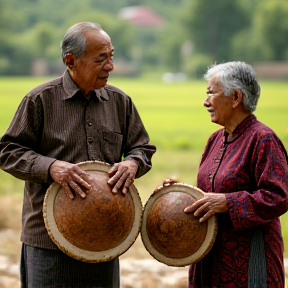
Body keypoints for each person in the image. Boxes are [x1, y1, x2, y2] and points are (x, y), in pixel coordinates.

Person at [0, 21, 156, 288]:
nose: (110, 66)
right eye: (101, 59)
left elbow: (142, 149)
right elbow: (8, 152)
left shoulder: (120, 102)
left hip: (104, 241)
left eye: (111, 57)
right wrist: (50, 167)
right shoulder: (39, 100)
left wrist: (132, 163)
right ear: (71, 61)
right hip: (48, 243)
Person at [159, 61, 288, 287]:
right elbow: (212, 194)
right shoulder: (215, 141)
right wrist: (177, 195)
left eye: (211, 93)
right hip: (210, 256)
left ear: (236, 98)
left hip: (250, 260)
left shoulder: (262, 139)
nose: (205, 102)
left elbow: (279, 196)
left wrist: (229, 203)